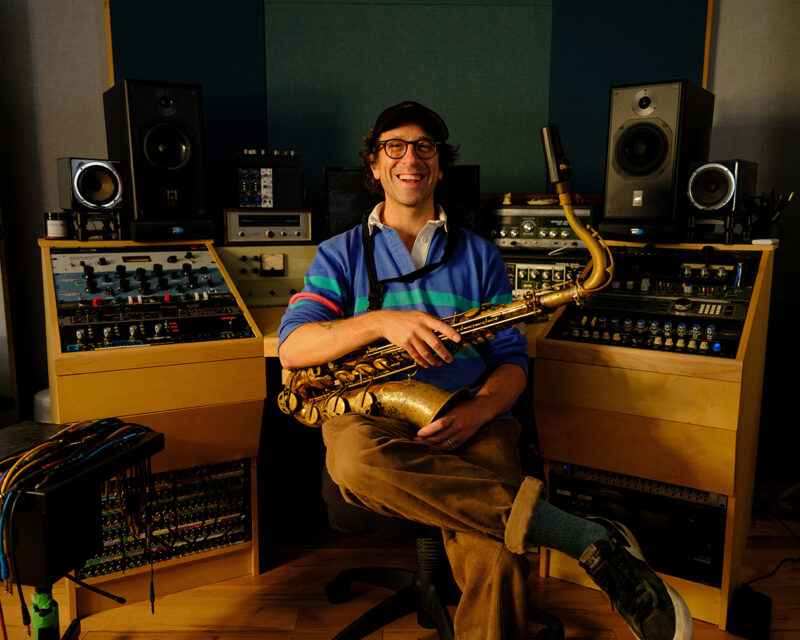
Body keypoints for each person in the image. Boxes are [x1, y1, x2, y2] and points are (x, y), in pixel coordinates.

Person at [277, 101, 692, 640]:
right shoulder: (337, 254)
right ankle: (583, 537)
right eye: (394, 147)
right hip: (372, 418)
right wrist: (383, 321)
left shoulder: (480, 255)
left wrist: (481, 410)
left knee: (496, 554)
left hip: (471, 412)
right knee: (353, 465)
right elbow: (293, 347)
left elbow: (512, 363)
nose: (411, 158)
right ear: (375, 166)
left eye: (425, 147)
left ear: (440, 167)